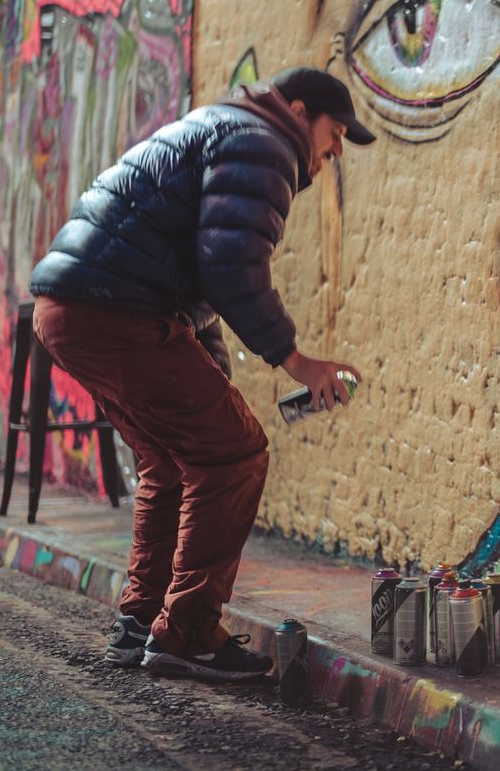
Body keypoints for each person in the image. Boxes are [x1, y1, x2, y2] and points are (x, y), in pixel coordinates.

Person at [28, 67, 374, 680]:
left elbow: (194, 287)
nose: (336, 150)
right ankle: (186, 633)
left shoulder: (226, 127)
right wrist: (297, 361)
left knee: (171, 461)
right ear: (299, 112)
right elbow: (230, 265)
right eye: (336, 132)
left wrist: (214, 378)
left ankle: (140, 622)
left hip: (74, 309)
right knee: (235, 454)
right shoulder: (266, 143)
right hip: (116, 310)